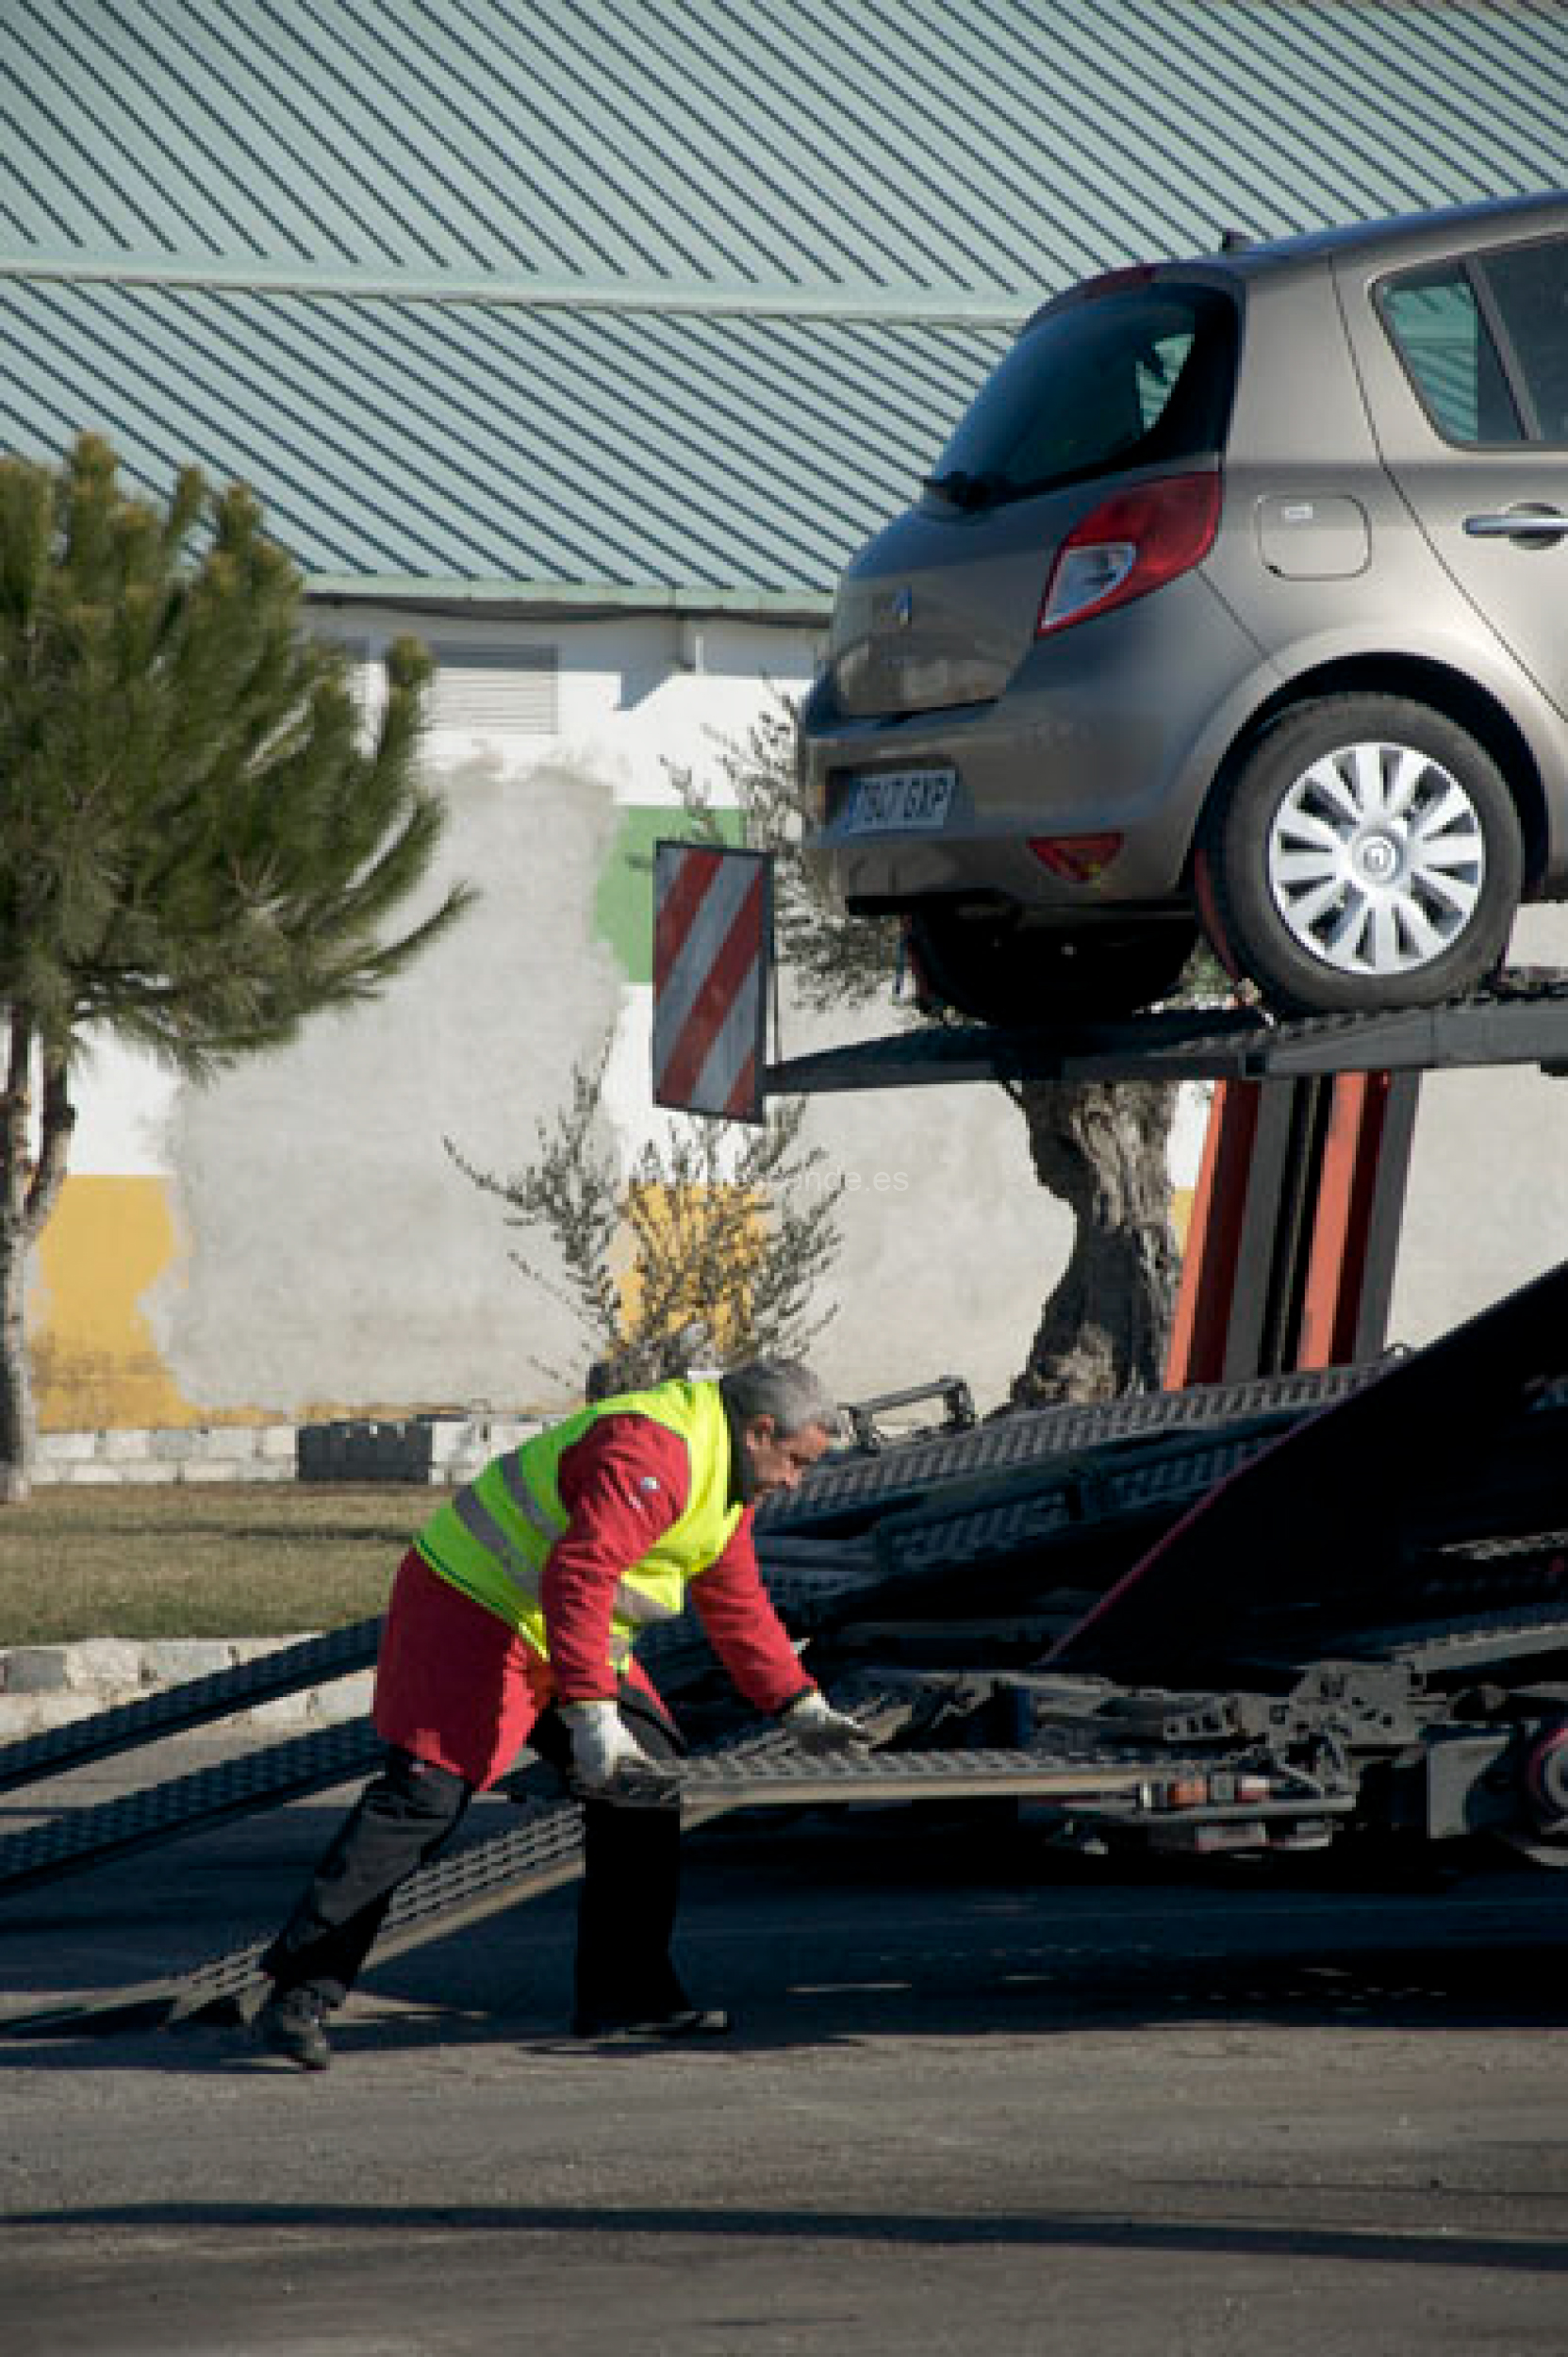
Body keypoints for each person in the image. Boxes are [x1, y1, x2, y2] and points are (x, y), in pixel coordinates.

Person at [252, 1356, 870, 2069]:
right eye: (794, 1462)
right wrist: (592, 1718)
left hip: (562, 1630)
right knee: (422, 1798)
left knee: (646, 1785)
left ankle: (626, 1999)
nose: (794, 1481)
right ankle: (299, 1995)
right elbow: (580, 1576)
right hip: (474, 1606)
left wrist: (797, 1703)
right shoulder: (652, 1451)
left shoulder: (724, 1473)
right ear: (761, 1430)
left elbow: (733, 1597)